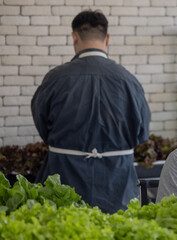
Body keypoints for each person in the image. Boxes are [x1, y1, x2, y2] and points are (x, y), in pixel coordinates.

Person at [31, 10, 151, 214]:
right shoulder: (129, 81)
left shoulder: (55, 78)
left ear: (74, 37)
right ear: (108, 39)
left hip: (64, 180)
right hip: (117, 184)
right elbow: (141, 133)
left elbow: (42, 124)